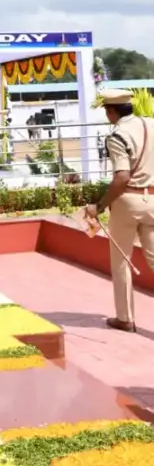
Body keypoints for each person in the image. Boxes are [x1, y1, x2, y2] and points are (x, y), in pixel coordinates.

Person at [86, 87, 154, 333]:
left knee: (122, 261)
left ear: (112, 111)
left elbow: (122, 176)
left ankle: (125, 318)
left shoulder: (118, 135)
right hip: (153, 198)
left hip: (128, 201)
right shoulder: (150, 124)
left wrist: (100, 206)